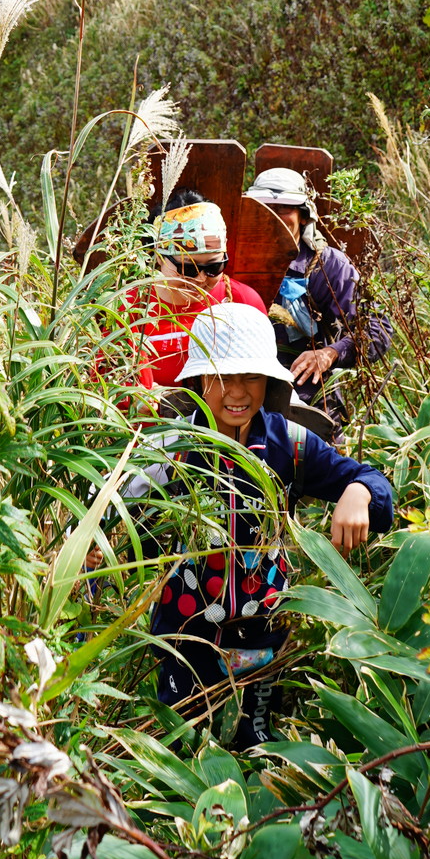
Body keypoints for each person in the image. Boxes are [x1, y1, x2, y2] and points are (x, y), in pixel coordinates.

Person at [128, 301, 394, 750]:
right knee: (179, 750)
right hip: (183, 639)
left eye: (250, 376)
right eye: (221, 377)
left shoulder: (287, 444)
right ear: (196, 380)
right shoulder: (168, 449)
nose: (237, 391)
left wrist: (359, 493)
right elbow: (113, 508)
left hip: (262, 635)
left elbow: (371, 482)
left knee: (255, 748)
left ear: (269, 380)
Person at [246, 166, 390, 429]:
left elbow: (376, 329)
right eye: (265, 209)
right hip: (239, 398)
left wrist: (329, 354)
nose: (274, 218)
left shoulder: (327, 265)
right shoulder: (230, 260)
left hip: (307, 402)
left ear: (303, 217)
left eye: (284, 209)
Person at [109, 189, 268, 392]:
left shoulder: (241, 300)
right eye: (188, 268)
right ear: (159, 257)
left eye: (213, 267)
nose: (200, 279)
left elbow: (265, 374)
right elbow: (103, 379)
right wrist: (132, 397)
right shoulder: (128, 307)